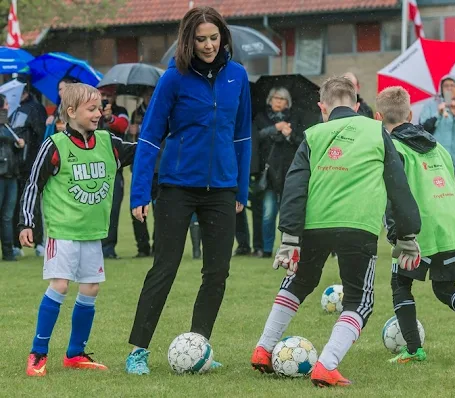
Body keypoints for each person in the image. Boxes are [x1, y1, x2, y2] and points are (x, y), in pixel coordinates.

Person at [250, 76, 421, 387]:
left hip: (314, 226)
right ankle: (326, 365)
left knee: (298, 281)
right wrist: (407, 236)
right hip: (357, 226)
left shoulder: (312, 135)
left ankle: (263, 348)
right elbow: (399, 185)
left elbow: (294, 187)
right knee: (359, 300)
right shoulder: (376, 130)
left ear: (322, 107)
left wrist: (289, 238)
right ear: (357, 105)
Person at [125, 6, 251, 375]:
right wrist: (139, 194)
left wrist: (241, 189)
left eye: (214, 38)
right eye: (201, 39)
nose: (209, 45)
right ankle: (137, 351)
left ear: (223, 38)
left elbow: (242, 136)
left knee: (217, 272)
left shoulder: (238, 77)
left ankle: (198, 348)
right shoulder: (173, 79)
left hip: (223, 190)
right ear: (188, 41)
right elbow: (149, 137)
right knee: (164, 267)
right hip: (177, 187)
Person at [376, 86, 455, 364]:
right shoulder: (438, 146)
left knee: (400, 284)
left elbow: (395, 195)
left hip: (418, 230)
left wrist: (398, 236)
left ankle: (413, 349)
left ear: (378, 117)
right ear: (410, 114)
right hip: (450, 225)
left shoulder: (391, 148)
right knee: (445, 289)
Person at [19, 83, 136, 377]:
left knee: (91, 289)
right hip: (63, 231)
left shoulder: (109, 143)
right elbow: (34, 183)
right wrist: (27, 222)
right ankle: (38, 353)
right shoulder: (55, 144)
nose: (99, 113)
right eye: (92, 109)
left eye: (100, 108)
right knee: (59, 286)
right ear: (71, 112)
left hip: (92, 232)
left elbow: (143, 152)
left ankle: (74, 354)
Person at [252, 87, 303, 257]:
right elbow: (256, 138)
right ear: (269, 100)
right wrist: (274, 128)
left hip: (289, 173)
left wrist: (289, 135)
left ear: (287, 102)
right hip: (269, 175)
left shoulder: (295, 118)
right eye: (275, 98)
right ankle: (266, 250)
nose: (278, 101)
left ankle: (287, 247)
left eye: (282, 99)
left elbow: (301, 143)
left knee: (288, 215)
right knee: (268, 213)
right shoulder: (261, 118)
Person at [11, 77, 48, 257]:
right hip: (15, 165)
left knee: (32, 204)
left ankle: (39, 241)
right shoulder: (12, 110)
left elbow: (40, 134)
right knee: (15, 205)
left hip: (31, 163)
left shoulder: (35, 108)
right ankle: (15, 243)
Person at [419, 75, 455, 180]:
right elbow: (422, 129)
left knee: (454, 195)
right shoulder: (430, 107)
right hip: (433, 164)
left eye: (452, 85)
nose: (449, 88)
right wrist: (438, 115)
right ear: (441, 89)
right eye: (446, 86)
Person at [97, 86, 129, 259]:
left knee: (113, 209)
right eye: (103, 95)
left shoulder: (121, 111)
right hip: (95, 169)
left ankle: (108, 248)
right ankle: (95, 247)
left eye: (109, 95)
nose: (106, 98)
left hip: (114, 169)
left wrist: (110, 118)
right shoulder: (92, 113)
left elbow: (123, 125)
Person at [129, 87, 157, 257]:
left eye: (152, 93)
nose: (149, 96)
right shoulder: (135, 113)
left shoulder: (162, 109)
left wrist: (138, 130)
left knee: (160, 211)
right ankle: (142, 246)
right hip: (140, 166)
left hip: (158, 167)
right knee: (137, 208)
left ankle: (158, 246)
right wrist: (131, 132)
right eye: (146, 93)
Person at [0, 94, 26, 261]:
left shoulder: (8, 126)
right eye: (6, 103)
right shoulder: (5, 128)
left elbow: (12, 151)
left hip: (11, 175)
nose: (8, 106)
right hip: (1, 175)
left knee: (8, 216)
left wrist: (18, 145)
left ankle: (9, 252)